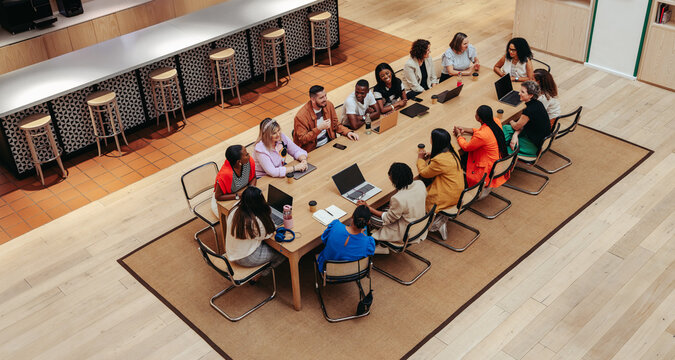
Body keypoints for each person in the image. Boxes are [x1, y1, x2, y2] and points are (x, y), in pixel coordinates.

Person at [357, 163, 426, 254]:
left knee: (366, 216)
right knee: (384, 207)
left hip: (403, 232)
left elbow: (387, 219)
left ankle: (373, 245)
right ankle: (381, 245)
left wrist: (369, 208)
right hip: (419, 225)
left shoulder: (398, 198)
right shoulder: (419, 183)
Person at [225, 187, 284, 269]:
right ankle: (260, 274)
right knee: (282, 253)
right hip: (247, 257)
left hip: (233, 252)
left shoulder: (235, 207)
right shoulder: (256, 221)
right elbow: (268, 234)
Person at [453, 105, 509, 188]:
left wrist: (459, 136)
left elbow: (466, 147)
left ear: (478, 118)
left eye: (476, 114)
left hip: (486, 170)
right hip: (497, 162)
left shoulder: (482, 135)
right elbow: (482, 131)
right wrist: (465, 129)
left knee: (460, 158)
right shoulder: (496, 121)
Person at [294, 85, 359, 152]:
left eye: (325, 95)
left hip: (329, 144)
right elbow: (303, 139)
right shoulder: (301, 116)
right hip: (312, 150)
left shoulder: (329, 105)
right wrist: (319, 129)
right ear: (313, 99)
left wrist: (348, 132)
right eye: (321, 97)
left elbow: (335, 125)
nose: (325, 99)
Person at [417, 129, 464, 212]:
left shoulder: (439, 161)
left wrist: (420, 159)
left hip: (446, 197)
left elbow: (424, 173)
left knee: (418, 194)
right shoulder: (452, 148)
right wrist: (433, 153)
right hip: (458, 192)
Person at [317, 205, 376, 271]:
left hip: (328, 270)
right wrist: (363, 235)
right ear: (368, 222)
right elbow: (368, 256)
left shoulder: (335, 225)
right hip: (351, 272)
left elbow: (324, 240)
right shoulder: (368, 242)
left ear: (352, 216)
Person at [502, 81, 551, 157]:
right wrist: (515, 135)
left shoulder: (529, 110)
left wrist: (511, 121)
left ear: (531, 95)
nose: (519, 93)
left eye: (522, 92)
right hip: (536, 137)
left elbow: (516, 126)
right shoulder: (538, 104)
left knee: (502, 144)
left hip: (533, 145)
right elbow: (524, 126)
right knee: (505, 128)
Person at [211, 145, 256, 216]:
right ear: (239, 162)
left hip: (241, 193)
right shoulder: (224, 175)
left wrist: (251, 190)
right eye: (246, 154)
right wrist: (238, 196)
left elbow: (253, 177)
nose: (249, 155)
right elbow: (218, 196)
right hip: (223, 201)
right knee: (238, 220)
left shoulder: (248, 161)